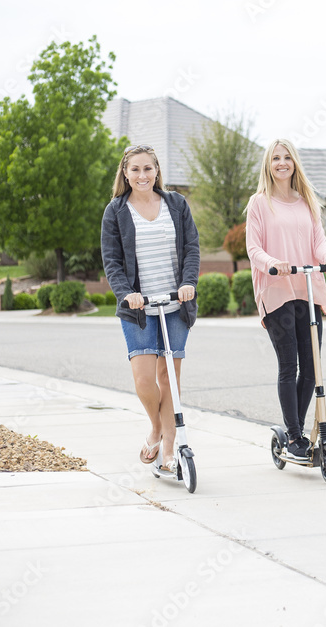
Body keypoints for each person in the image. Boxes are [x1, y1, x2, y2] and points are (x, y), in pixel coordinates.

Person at [101, 144, 200, 472]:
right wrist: (127, 293)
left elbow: (191, 248)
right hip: (138, 307)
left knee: (169, 377)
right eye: (135, 169)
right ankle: (156, 427)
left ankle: (169, 447)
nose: (142, 175)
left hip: (176, 302)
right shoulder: (115, 211)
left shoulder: (176, 203)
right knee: (144, 378)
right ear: (125, 174)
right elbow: (112, 261)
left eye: (148, 168)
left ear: (156, 170)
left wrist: (189, 283)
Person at [246, 138, 326, 460]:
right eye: (276, 158)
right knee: (290, 366)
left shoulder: (307, 203)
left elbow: (319, 245)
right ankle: (294, 437)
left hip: (308, 288)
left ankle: (295, 432)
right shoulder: (259, 203)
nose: (282, 163)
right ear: (268, 165)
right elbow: (253, 249)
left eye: (287, 157)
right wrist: (272, 263)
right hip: (277, 292)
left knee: (312, 369)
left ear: (294, 163)